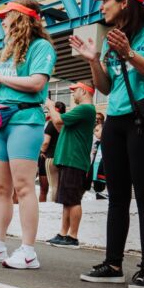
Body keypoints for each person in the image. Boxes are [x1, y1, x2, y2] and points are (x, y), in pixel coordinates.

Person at [72, 0, 144, 288]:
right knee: (117, 197)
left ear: (125, 1)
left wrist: (129, 52)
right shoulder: (112, 38)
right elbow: (106, 86)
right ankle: (113, 264)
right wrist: (93, 60)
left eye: (107, 0)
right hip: (116, 121)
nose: (102, 6)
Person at [0, 0, 56, 269]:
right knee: (3, 188)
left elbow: (36, 83)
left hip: (25, 120)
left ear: (22, 18)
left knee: (24, 187)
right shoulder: (8, 50)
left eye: (7, 16)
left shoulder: (41, 46)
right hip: (1, 122)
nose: (3, 21)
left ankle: (29, 251)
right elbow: (10, 84)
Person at [45, 82, 97, 249]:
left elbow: (58, 120)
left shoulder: (85, 109)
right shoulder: (82, 111)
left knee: (73, 200)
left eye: (74, 91)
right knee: (67, 200)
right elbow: (62, 128)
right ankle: (63, 234)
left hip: (75, 160)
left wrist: (50, 106)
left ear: (83, 91)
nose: (72, 95)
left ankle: (72, 236)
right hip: (70, 159)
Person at [40, 101, 65, 202]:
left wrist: (41, 151)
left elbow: (46, 142)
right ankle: (60, 204)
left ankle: (55, 206)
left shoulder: (52, 123)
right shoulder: (66, 122)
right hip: (63, 157)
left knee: (54, 185)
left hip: (50, 157)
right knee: (60, 185)